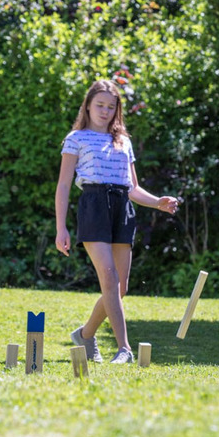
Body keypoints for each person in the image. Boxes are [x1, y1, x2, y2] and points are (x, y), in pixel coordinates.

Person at [55, 79, 179, 364]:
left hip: (122, 207)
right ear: (87, 105)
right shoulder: (76, 138)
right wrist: (60, 227)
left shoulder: (123, 142)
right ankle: (124, 348)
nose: (105, 111)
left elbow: (133, 187)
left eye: (111, 107)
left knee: (120, 288)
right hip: (93, 205)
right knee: (108, 279)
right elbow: (63, 186)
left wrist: (157, 202)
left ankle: (85, 335)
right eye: (99, 105)